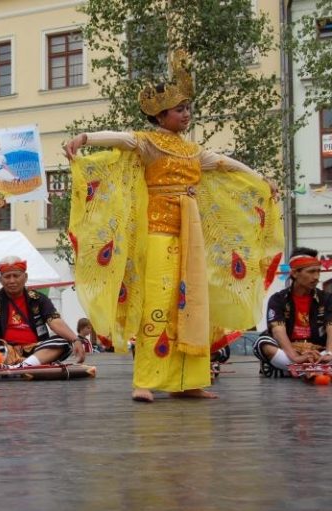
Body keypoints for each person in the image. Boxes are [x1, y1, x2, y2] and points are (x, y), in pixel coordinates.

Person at [64, 49, 283, 402]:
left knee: (193, 305)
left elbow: (228, 164)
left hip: (190, 237)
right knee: (159, 303)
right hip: (157, 234)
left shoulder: (194, 151)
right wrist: (85, 138)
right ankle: (145, 381)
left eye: (187, 109)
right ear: (162, 115)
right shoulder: (148, 143)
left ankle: (187, 381)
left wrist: (262, 180)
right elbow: (121, 138)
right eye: (180, 110)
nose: (186, 115)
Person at [0, 256, 86, 368]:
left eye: (16, 276)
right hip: (5, 349)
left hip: (36, 350)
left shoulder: (38, 299)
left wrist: (75, 339)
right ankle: (30, 364)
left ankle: (21, 365)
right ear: (0, 279)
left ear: (25, 277)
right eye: (7, 277)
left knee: (63, 342)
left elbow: (55, 321)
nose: (12, 280)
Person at [253, 248, 332, 377]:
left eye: (318, 271)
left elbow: (331, 327)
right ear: (295, 273)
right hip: (289, 351)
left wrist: (329, 354)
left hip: (320, 352)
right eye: (311, 272)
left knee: (327, 355)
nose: (317, 277)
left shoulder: (327, 298)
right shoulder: (278, 299)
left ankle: (294, 369)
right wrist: (295, 357)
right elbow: (278, 331)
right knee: (262, 344)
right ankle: (311, 369)